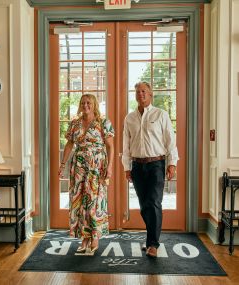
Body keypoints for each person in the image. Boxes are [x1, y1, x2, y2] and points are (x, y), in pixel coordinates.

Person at [122, 82, 178, 258]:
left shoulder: (161, 114)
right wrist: (126, 167)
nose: (140, 94)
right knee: (144, 206)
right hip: (137, 166)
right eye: (137, 91)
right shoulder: (129, 118)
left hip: (156, 165)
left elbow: (170, 140)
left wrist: (172, 163)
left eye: (144, 91)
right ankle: (150, 238)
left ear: (151, 94)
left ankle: (153, 244)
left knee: (154, 202)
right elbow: (126, 145)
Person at [58, 94, 114, 253]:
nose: (85, 105)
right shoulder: (75, 123)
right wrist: (62, 164)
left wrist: (109, 167)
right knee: (79, 201)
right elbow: (69, 144)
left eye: (89, 102)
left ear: (94, 104)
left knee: (94, 201)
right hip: (78, 167)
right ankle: (84, 237)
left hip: (97, 167)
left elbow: (110, 147)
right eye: (83, 102)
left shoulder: (103, 123)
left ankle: (94, 235)